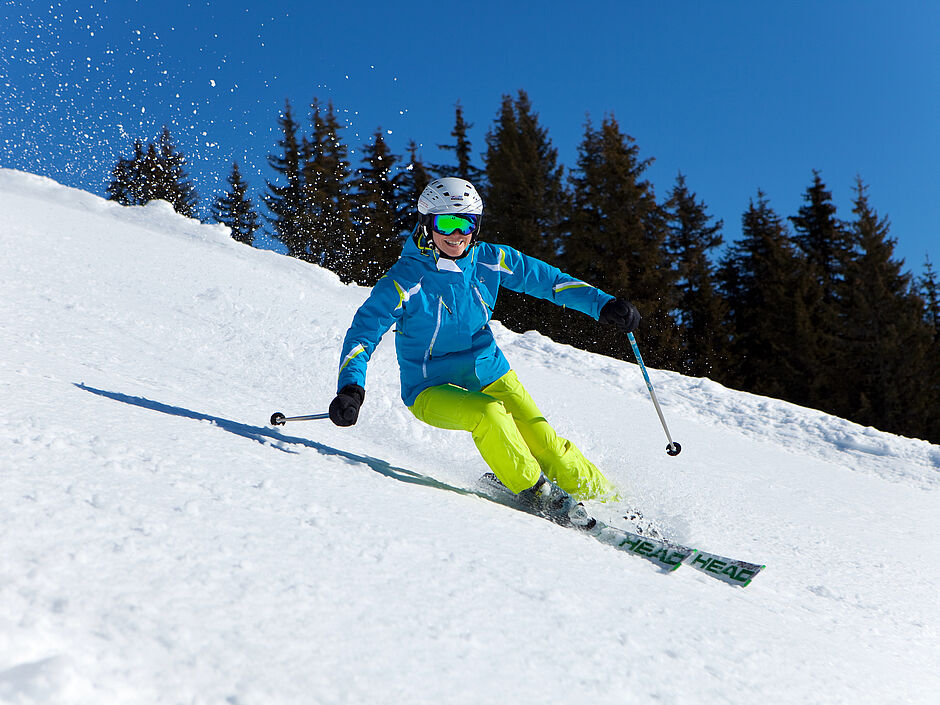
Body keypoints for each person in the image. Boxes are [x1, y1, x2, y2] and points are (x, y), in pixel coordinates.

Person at [330, 177, 641, 527]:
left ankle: (616, 507)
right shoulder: (405, 280)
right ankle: (537, 492)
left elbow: (549, 281)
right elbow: (363, 333)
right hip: (429, 387)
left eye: (466, 223)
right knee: (489, 414)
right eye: (446, 222)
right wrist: (350, 389)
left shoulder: (490, 260)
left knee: (548, 445)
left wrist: (603, 304)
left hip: (489, 369)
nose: (456, 234)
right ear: (426, 223)